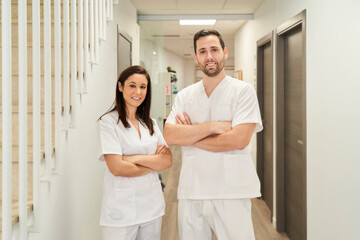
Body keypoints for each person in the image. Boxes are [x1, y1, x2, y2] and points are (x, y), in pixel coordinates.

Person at [164, 29, 263, 240]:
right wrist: (212, 127)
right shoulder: (184, 96)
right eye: (202, 51)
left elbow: (239, 139)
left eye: (214, 50)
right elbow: (171, 136)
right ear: (196, 56)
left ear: (225, 53)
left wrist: (190, 135)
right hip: (192, 191)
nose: (209, 57)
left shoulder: (243, 92)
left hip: (232, 192)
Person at [98, 65, 172, 240]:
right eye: (132, 85)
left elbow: (167, 160)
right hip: (121, 211)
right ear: (120, 86)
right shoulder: (108, 122)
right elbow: (117, 168)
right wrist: (153, 162)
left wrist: (133, 159)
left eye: (143, 87)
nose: (138, 91)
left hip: (151, 207)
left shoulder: (151, 123)